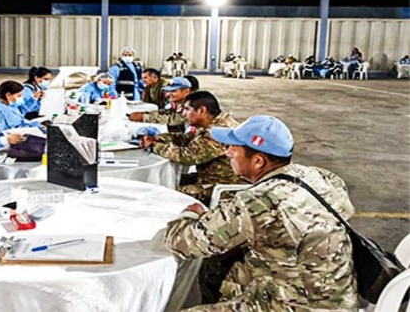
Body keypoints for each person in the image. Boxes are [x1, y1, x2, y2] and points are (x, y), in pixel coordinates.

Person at [164, 115, 357, 311]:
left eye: (234, 149)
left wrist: (190, 214)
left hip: (293, 305)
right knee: (224, 267)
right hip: (339, 298)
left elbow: (182, 243)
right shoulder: (321, 177)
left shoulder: (259, 201)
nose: (228, 153)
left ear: (258, 161)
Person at [140, 91, 243, 204]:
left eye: (187, 109)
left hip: (222, 187)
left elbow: (186, 157)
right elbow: (187, 139)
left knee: (165, 193)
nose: (184, 113)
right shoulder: (212, 123)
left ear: (201, 110)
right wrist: (160, 138)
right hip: (208, 178)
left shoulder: (218, 132)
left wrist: (153, 146)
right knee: (163, 180)